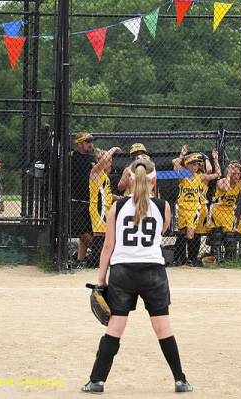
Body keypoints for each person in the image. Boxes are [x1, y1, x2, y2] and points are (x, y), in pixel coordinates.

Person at [81, 158, 193, 394]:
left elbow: (108, 246)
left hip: (123, 272)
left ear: (129, 180)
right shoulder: (163, 206)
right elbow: (160, 232)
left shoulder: (118, 206)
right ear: (154, 181)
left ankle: (96, 381)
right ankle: (180, 380)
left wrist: (101, 280)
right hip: (154, 271)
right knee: (163, 329)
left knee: (114, 329)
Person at [172, 145, 221, 266]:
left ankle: (191, 259)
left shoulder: (201, 177)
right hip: (182, 209)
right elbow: (175, 166)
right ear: (187, 165)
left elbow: (217, 174)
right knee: (181, 233)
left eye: (197, 164)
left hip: (194, 210)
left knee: (190, 234)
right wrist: (182, 154)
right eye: (193, 164)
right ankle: (177, 259)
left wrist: (215, 159)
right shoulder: (183, 176)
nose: (196, 166)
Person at [87, 146, 122, 268]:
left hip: (106, 207)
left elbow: (103, 192)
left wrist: (115, 197)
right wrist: (113, 149)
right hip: (98, 208)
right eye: (109, 163)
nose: (110, 166)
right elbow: (104, 159)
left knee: (106, 233)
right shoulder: (96, 172)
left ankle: (99, 260)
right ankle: (94, 261)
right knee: (100, 234)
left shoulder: (105, 176)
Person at [207, 161, 241, 260]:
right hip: (218, 211)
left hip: (229, 212)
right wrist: (228, 175)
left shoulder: (240, 183)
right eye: (234, 174)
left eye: (238, 174)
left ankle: (229, 259)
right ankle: (216, 258)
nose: (237, 176)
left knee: (230, 237)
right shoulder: (221, 181)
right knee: (217, 235)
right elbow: (225, 189)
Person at [71, 132, 96, 265]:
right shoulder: (71, 157)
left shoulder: (92, 160)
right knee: (81, 231)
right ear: (79, 144)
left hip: (89, 200)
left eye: (91, 141)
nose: (90, 144)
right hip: (74, 200)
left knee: (86, 230)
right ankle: (100, 253)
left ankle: (80, 260)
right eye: (87, 142)